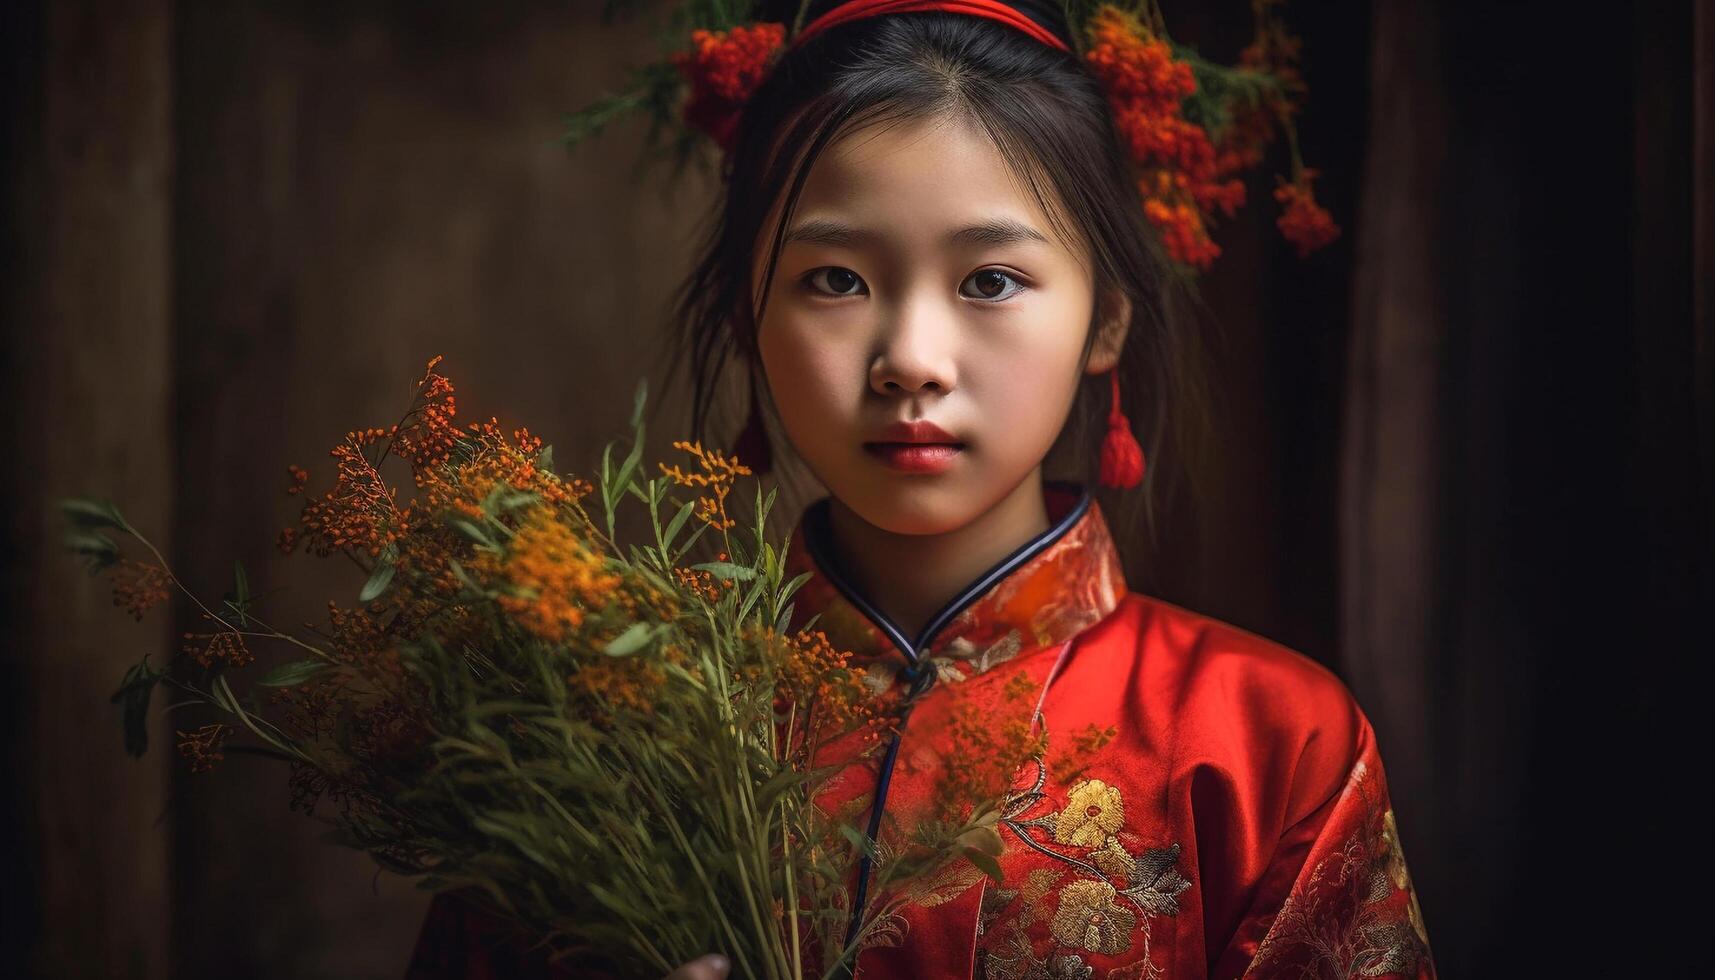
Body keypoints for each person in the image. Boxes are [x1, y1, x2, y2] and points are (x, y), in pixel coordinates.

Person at [405, 1, 1435, 977]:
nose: (909, 358)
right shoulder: (599, 732)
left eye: (988, 279)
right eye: (835, 280)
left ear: (1105, 320)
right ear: (743, 318)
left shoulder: (1266, 742)